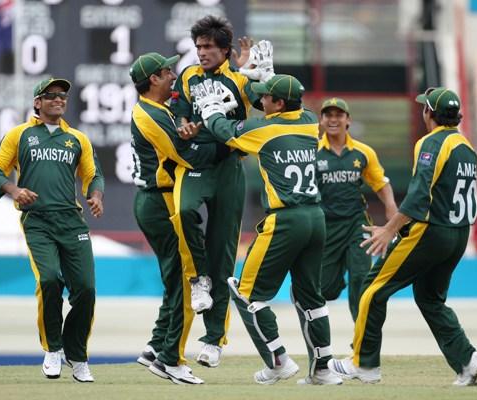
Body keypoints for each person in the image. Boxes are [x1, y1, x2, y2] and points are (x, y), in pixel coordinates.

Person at [328, 87, 477, 386]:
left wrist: (390, 229)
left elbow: (419, 196)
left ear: (429, 113)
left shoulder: (430, 143)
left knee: (372, 290)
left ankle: (363, 364)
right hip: (458, 234)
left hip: (431, 231)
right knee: (430, 299)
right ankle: (468, 360)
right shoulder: (467, 146)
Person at [194, 74, 342, 385]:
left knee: (245, 292)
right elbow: (282, 104)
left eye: (266, 98)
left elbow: (225, 132)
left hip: (285, 221)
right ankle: (324, 369)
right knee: (310, 298)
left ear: (278, 103)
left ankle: (278, 360)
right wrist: (266, 78)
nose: (260, 102)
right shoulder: (309, 121)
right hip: (316, 218)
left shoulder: (265, 129)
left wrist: (211, 111)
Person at [0, 78, 104, 382]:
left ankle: (76, 355)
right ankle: (53, 349)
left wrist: (96, 196)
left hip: (71, 221)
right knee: (50, 280)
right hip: (37, 221)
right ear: (37, 102)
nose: (59, 100)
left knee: (86, 289)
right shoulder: (20, 135)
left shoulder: (77, 138)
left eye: (63, 96)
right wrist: (14, 190)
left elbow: (93, 174)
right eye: (51, 95)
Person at [171, 15, 271, 367]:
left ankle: (214, 341)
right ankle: (199, 280)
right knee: (183, 211)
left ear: (225, 51)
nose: (201, 53)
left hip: (229, 165)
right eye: (198, 47)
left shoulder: (240, 79)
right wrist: (184, 128)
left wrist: (262, 74)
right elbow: (180, 113)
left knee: (224, 254)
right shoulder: (187, 77)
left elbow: (267, 104)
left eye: (208, 47)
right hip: (198, 164)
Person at [128, 52, 234, 384]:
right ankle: (170, 359)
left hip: (155, 200)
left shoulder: (161, 109)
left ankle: (156, 346)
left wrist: (191, 125)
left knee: (176, 280)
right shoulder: (149, 114)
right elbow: (186, 155)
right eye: (166, 71)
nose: (173, 75)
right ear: (153, 80)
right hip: (160, 203)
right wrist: (228, 145)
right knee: (188, 280)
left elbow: (183, 131)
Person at [316, 97, 397, 321]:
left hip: (356, 223)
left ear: (347, 120)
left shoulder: (363, 152)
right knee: (325, 289)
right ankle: (340, 267)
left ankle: (362, 343)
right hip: (326, 226)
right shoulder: (312, 152)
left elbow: (380, 183)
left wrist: (391, 209)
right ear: (321, 121)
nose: (333, 120)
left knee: (361, 278)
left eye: (338, 115)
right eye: (328, 115)